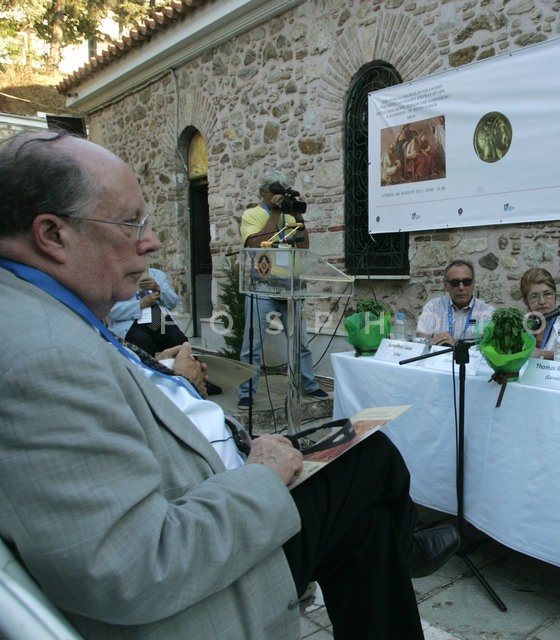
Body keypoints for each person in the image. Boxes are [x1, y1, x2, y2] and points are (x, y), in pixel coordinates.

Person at [0, 130, 460, 640]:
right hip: (214, 574)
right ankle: (407, 543)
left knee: (367, 520)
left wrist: (165, 378)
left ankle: (397, 540)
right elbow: (131, 568)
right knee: (370, 462)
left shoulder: (45, 313)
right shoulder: (39, 356)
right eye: (131, 223)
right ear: (52, 235)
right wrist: (261, 476)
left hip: (223, 483)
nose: (150, 242)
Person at [238, 171, 326, 407]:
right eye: (276, 193)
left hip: (290, 286)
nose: (279, 197)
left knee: (300, 342)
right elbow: (255, 243)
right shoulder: (252, 215)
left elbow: (304, 245)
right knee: (253, 343)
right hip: (262, 286)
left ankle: (308, 384)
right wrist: (275, 212)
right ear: (264, 193)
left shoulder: (290, 218)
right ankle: (246, 392)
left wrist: (296, 215)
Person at [108, 267, 190, 355]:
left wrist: (158, 288)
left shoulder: (157, 274)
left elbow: (172, 302)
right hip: (132, 322)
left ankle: (179, 367)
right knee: (142, 341)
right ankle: (147, 367)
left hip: (158, 319)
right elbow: (112, 311)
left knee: (178, 339)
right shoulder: (117, 277)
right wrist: (141, 303)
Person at [416, 259, 495, 346]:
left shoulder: (486, 312)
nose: (461, 287)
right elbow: (421, 343)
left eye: (466, 282)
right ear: (446, 286)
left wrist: (456, 345)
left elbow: (486, 349)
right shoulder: (433, 307)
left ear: (473, 283)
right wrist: (431, 343)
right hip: (438, 359)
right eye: (455, 283)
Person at [519, 267, 560, 360]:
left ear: (555, 295)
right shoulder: (524, 325)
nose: (542, 301)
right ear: (526, 302)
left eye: (547, 294)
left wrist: (542, 354)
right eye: (534, 296)